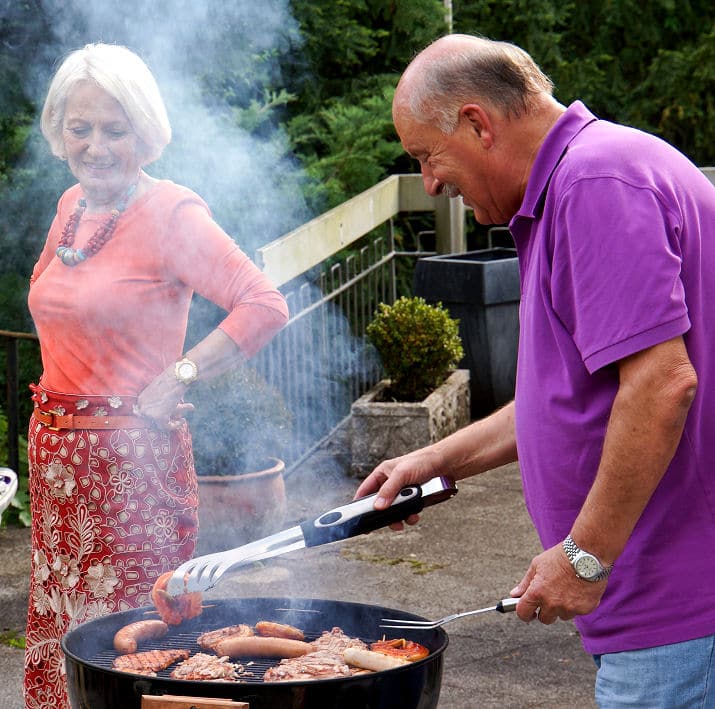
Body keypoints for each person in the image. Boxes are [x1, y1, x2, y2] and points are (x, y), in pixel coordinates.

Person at [356, 34, 715, 708]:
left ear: (476, 123)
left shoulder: (595, 183)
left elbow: (663, 385)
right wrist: (436, 458)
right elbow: (566, 400)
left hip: (679, 616)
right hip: (659, 614)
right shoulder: (577, 183)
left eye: (424, 156)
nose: (429, 182)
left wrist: (584, 554)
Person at [26, 42, 289, 707]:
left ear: (145, 132)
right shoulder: (71, 208)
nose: (96, 145)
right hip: (58, 473)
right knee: (64, 632)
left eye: (114, 129)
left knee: (128, 643)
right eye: (80, 127)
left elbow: (263, 302)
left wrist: (181, 372)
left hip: (131, 474)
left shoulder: (172, 211)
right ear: (59, 130)